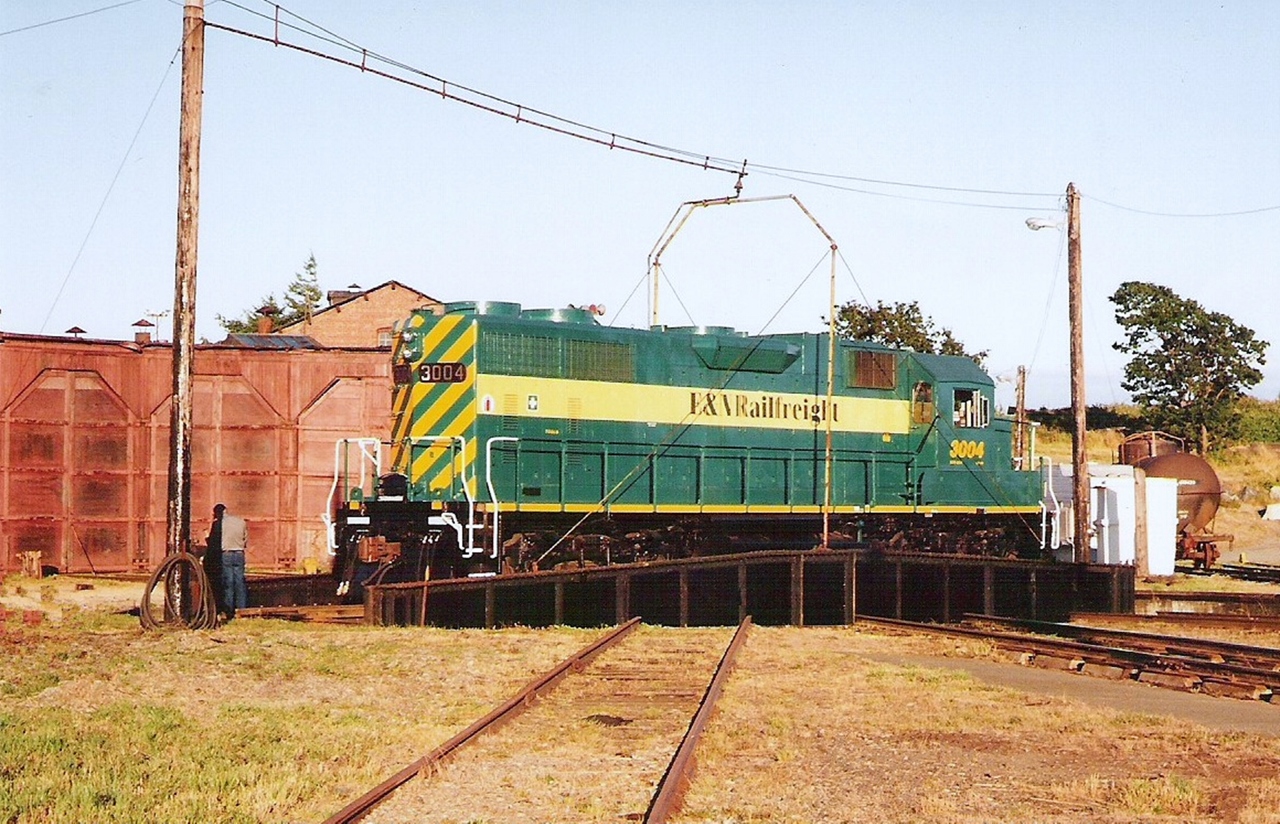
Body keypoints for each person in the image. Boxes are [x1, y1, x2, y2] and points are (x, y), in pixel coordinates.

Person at [216, 503, 249, 619]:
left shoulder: (220, 523)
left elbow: (215, 541)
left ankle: (229, 611)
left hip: (227, 554)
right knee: (239, 581)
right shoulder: (241, 522)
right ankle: (242, 609)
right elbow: (245, 540)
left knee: (228, 583)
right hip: (239, 553)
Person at [203, 506, 226, 617]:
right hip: (222, 556)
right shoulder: (228, 525)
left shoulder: (217, 525)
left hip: (214, 558)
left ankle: (214, 606)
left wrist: (207, 538)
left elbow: (213, 542)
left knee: (213, 583)